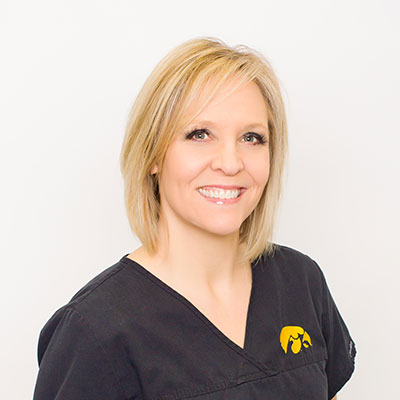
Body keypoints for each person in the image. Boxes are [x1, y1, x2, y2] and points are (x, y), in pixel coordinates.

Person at [33, 37, 356, 400]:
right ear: (153, 155)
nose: (231, 163)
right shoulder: (94, 330)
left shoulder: (300, 281)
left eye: (252, 137)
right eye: (200, 134)